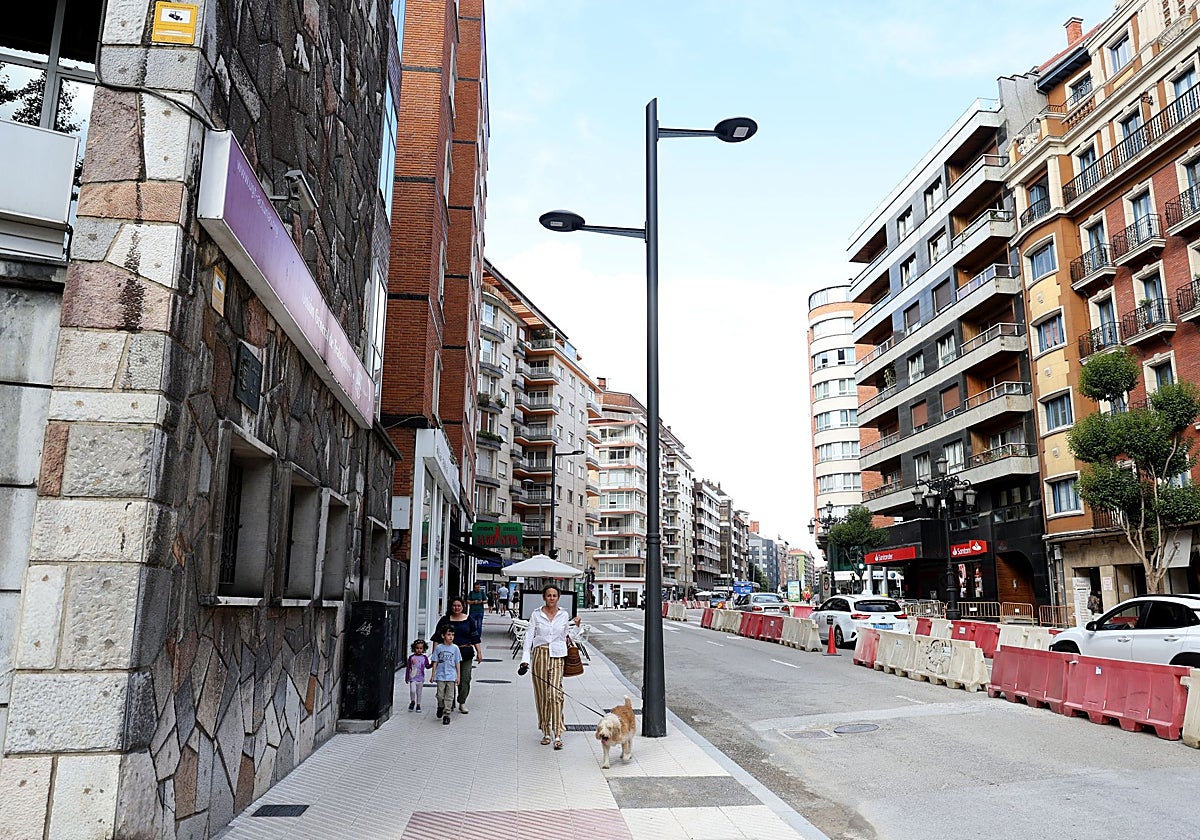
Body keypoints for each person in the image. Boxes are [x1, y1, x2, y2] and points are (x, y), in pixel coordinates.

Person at [518, 584, 581, 750]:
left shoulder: (564, 614)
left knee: (555, 694)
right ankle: (546, 731)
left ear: (558, 597)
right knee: (542, 695)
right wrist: (525, 659)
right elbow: (529, 637)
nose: (551, 598)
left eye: (554, 595)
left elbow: (566, 637)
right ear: (544, 597)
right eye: (549, 595)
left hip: (558, 656)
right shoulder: (536, 614)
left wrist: (577, 626)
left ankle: (558, 733)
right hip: (540, 655)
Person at [432, 598, 480, 714]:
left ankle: (462, 702)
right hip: (447, 656)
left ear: (463, 607)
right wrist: (435, 655)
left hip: (465, 653)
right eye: (454, 605)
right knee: (449, 679)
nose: (456, 608)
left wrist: (479, 652)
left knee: (465, 679)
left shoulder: (469, 620)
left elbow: (475, 637)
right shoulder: (445, 620)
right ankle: (449, 703)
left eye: (459, 606)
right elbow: (437, 638)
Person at [431, 627, 461, 725]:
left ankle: (446, 713)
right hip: (440, 675)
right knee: (440, 695)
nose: (451, 637)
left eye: (452, 635)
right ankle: (440, 706)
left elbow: (457, 662)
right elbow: (435, 661)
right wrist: (433, 674)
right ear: (443, 636)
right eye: (448, 634)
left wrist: (458, 676)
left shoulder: (455, 648)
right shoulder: (439, 648)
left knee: (450, 695)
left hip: (451, 675)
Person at [405, 639, 431, 712]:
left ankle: (418, 705)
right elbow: (408, 668)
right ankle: (412, 701)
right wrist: (407, 677)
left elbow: (427, 666)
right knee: (412, 691)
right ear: (414, 648)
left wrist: (432, 664)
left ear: (423, 649)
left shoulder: (424, 658)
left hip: (421, 678)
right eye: (417, 648)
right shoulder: (411, 657)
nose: (419, 650)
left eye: (421, 648)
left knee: (419, 692)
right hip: (413, 678)